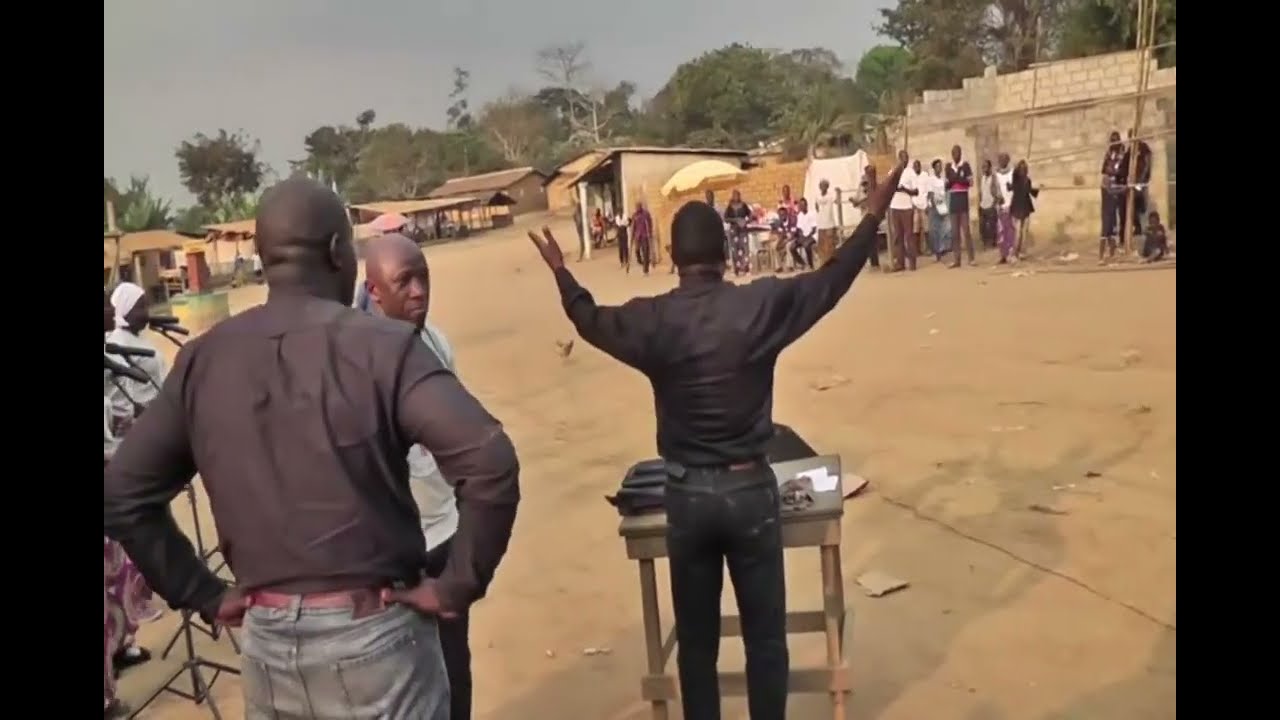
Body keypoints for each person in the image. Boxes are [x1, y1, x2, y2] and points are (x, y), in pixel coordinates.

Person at [103, 177, 522, 720]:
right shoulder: (387, 348)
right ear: (335, 252)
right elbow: (489, 461)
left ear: (264, 257)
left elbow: (122, 493)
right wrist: (457, 585)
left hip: (266, 644)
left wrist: (202, 592)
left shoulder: (203, 362)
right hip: (376, 641)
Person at [524, 162, 906, 720]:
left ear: (673, 258)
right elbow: (832, 281)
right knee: (766, 642)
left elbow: (589, 320)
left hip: (686, 497)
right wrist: (872, 212)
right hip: (752, 489)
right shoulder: (760, 306)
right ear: (725, 253)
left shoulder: (653, 320)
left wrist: (562, 271)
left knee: (697, 648)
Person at [362, 234, 474, 720]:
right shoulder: (356, 360)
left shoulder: (437, 344)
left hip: (444, 531)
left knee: (454, 662)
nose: (418, 292)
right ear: (373, 291)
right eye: (403, 281)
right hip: (390, 549)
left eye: (422, 277)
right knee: (399, 675)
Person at [104, 282, 166, 426]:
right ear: (126, 309)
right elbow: (119, 396)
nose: (146, 312)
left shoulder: (138, 337)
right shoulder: (118, 342)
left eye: (146, 306)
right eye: (140, 307)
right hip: (145, 421)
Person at [945, 145, 976, 267]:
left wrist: (955, 180)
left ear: (961, 153)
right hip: (953, 201)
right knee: (955, 233)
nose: (955, 155)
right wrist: (959, 179)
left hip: (963, 200)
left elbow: (970, 182)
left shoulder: (966, 166)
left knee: (966, 231)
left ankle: (971, 258)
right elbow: (947, 185)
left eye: (957, 152)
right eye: (954, 153)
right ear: (952, 154)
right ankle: (957, 259)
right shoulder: (948, 167)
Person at [888, 149, 918, 272]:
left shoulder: (911, 173)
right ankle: (900, 263)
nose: (905, 160)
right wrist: (894, 188)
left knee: (909, 235)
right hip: (895, 207)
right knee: (897, 236)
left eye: (906, 158)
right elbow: (889, 188)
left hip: (906, 208)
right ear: (899, 159)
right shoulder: (893, 171)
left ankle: (912, 262)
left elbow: (916, 191)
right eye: (902, 158)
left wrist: (905, 190)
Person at [1099, 131, 1125, 262]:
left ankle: (1112, 254)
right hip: (1109, 191)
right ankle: (1102, 256)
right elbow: (1105, 170)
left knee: (1114, 223)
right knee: (1106, 225)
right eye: (1112, 140)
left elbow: (1120, 169)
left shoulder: (1121, 153)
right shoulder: (1109, 153)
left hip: (1115, 189)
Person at [1010, 160, 1040, 260]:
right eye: (1021, 169)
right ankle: (1015, 253)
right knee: (1018, 233)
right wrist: (1016, 166)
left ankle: (1022, 253)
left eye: (1025, 169)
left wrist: (1038, 189)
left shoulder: (1027, 180)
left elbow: (1030, 192)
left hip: (1026, 207)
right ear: (1019, 170)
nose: (1023, 171)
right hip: (1017, 207)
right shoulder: (1016, 179)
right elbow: (1014, 174)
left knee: (1024, 232)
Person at [926, 159, 952, 261]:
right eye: (937, 166)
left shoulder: (943, 179)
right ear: (934, 168)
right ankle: (937, 251)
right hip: (934, 205)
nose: (939, 168)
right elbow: (930, 193)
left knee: (945, 228)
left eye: (940, 166)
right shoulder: (931, 179)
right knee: (935, 230)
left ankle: (943, 248)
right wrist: (932, 205)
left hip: (943, 205)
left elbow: (945, 191)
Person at [993, 153, 1016, 264]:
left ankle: (1011, 254)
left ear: (1008, 160)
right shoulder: (996, 174)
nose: (1001, 161)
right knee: (1001, 231)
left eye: (1003, 159)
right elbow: (994, 188)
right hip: (1001, 205)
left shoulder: (1012, 173)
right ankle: (1003, 255)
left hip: (1011, 204)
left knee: (1010, 230)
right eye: (1000, 159)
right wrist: (997, 197)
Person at [724, 190, 753, 277]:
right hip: (734, 230)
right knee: (735, 250)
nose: (736, 197)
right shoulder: (730, 207)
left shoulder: (743, 205)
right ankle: (736, 269)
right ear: (732, 196)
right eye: (734, 195)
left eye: (737, 195)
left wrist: (747, 220)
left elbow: (750, 214)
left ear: (739, 196)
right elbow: (726, 218)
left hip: (743, 229)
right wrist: (735, 220)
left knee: (744, 248)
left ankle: (746, 269)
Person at [814, 179, 839, 264]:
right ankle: (823, 263)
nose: (823, 187)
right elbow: (816, 206)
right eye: (821, 186)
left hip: (829, 224)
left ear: (827, 187)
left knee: (830, 245)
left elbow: (837, 201)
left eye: (825, 185)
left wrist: (838, 193)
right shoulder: (817, 196)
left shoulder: (831, 196)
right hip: (821, 225)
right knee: (821, 246)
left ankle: (831, 262)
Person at [790, 197, 819, 271]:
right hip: (804, 236)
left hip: (813, 235)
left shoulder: (812, 214)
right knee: (792, 247)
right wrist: (799, 237)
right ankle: (803, 263)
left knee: (806, 245)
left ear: (806, 205)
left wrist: (806, 237)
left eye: (803, 205)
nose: (801, 207)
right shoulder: (799, 215)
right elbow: (799, 228)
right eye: (800, 206)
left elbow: (814, 229)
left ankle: (810, 265)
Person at [977, 159, 998, 247]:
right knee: (982, 226)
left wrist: (994, 204)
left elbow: (996, 192)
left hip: (990, 205)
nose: (984, 169)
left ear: (990, 168)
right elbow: (981, 192)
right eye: (983, 167)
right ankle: (985, 242)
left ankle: (994, 242)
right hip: (983, 205)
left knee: (992, 225)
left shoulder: (993, 178)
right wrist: (979, 203)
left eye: (986, 167)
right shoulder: (982, 178)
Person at [910, 159, 929, 258]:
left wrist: (928, 204)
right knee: (915, 229)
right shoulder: (911, 178)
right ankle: (917, 250)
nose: (916, 168)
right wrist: (911, 204)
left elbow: (928, 191)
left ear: (920, 167)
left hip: (924, 205)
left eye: (918, 166)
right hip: (915, 206)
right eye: (914, 166)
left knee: (926, 228)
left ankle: (928, 249)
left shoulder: (925, 176)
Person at [633, 200, 654, 275]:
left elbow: (650, 222)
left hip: (645, 235)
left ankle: (646, 270)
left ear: (641, 206)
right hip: (638, 236)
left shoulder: (646, 213)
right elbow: (633, 226)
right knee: (637, 250)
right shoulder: (635, 215)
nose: (637, 208)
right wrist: (633, 236)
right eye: (636, 206)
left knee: (645, 252)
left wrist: (650, 232)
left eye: (638, 206)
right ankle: (640, 261)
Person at [616, 209, 631, 273]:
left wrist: (627, 225)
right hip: (619, 232)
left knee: (625, 247)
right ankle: (621, 262)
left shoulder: (625, 216)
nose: (620, 213)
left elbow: (629, 222)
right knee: (620, 248)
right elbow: (617, 225)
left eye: (621, 212)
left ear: (622, 212)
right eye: (619, 212)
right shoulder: (617, 217)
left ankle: (626, 260)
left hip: (624, 232)